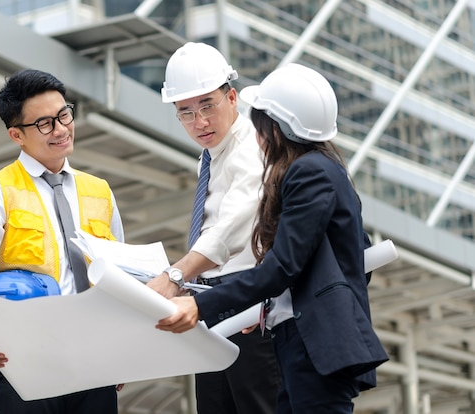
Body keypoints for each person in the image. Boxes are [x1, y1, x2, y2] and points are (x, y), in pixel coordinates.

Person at [155, 63, 389, 413]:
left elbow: (284, 265)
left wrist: (202, 303)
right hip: (301, 340)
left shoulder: (308, 173)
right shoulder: (321, 170)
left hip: (312, 343)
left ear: (275, 128)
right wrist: (267, 305)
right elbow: (346, 257)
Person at [0, 69, 124, 413]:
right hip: (26, 359)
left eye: (64, 115)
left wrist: (121, 345)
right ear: (16, 134)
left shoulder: (100, 191)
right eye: (45, 124)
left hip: (95, 360)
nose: (61, 129)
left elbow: (119, 274)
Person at [147, 42, 279, 414]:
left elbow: (231, 228)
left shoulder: (252, 146)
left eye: (207, 105)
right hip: (213, 303)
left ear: (232, 97)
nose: (199, 122)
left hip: (249, 304)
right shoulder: (210, 156)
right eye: (185, 112)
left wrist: (174, 275)